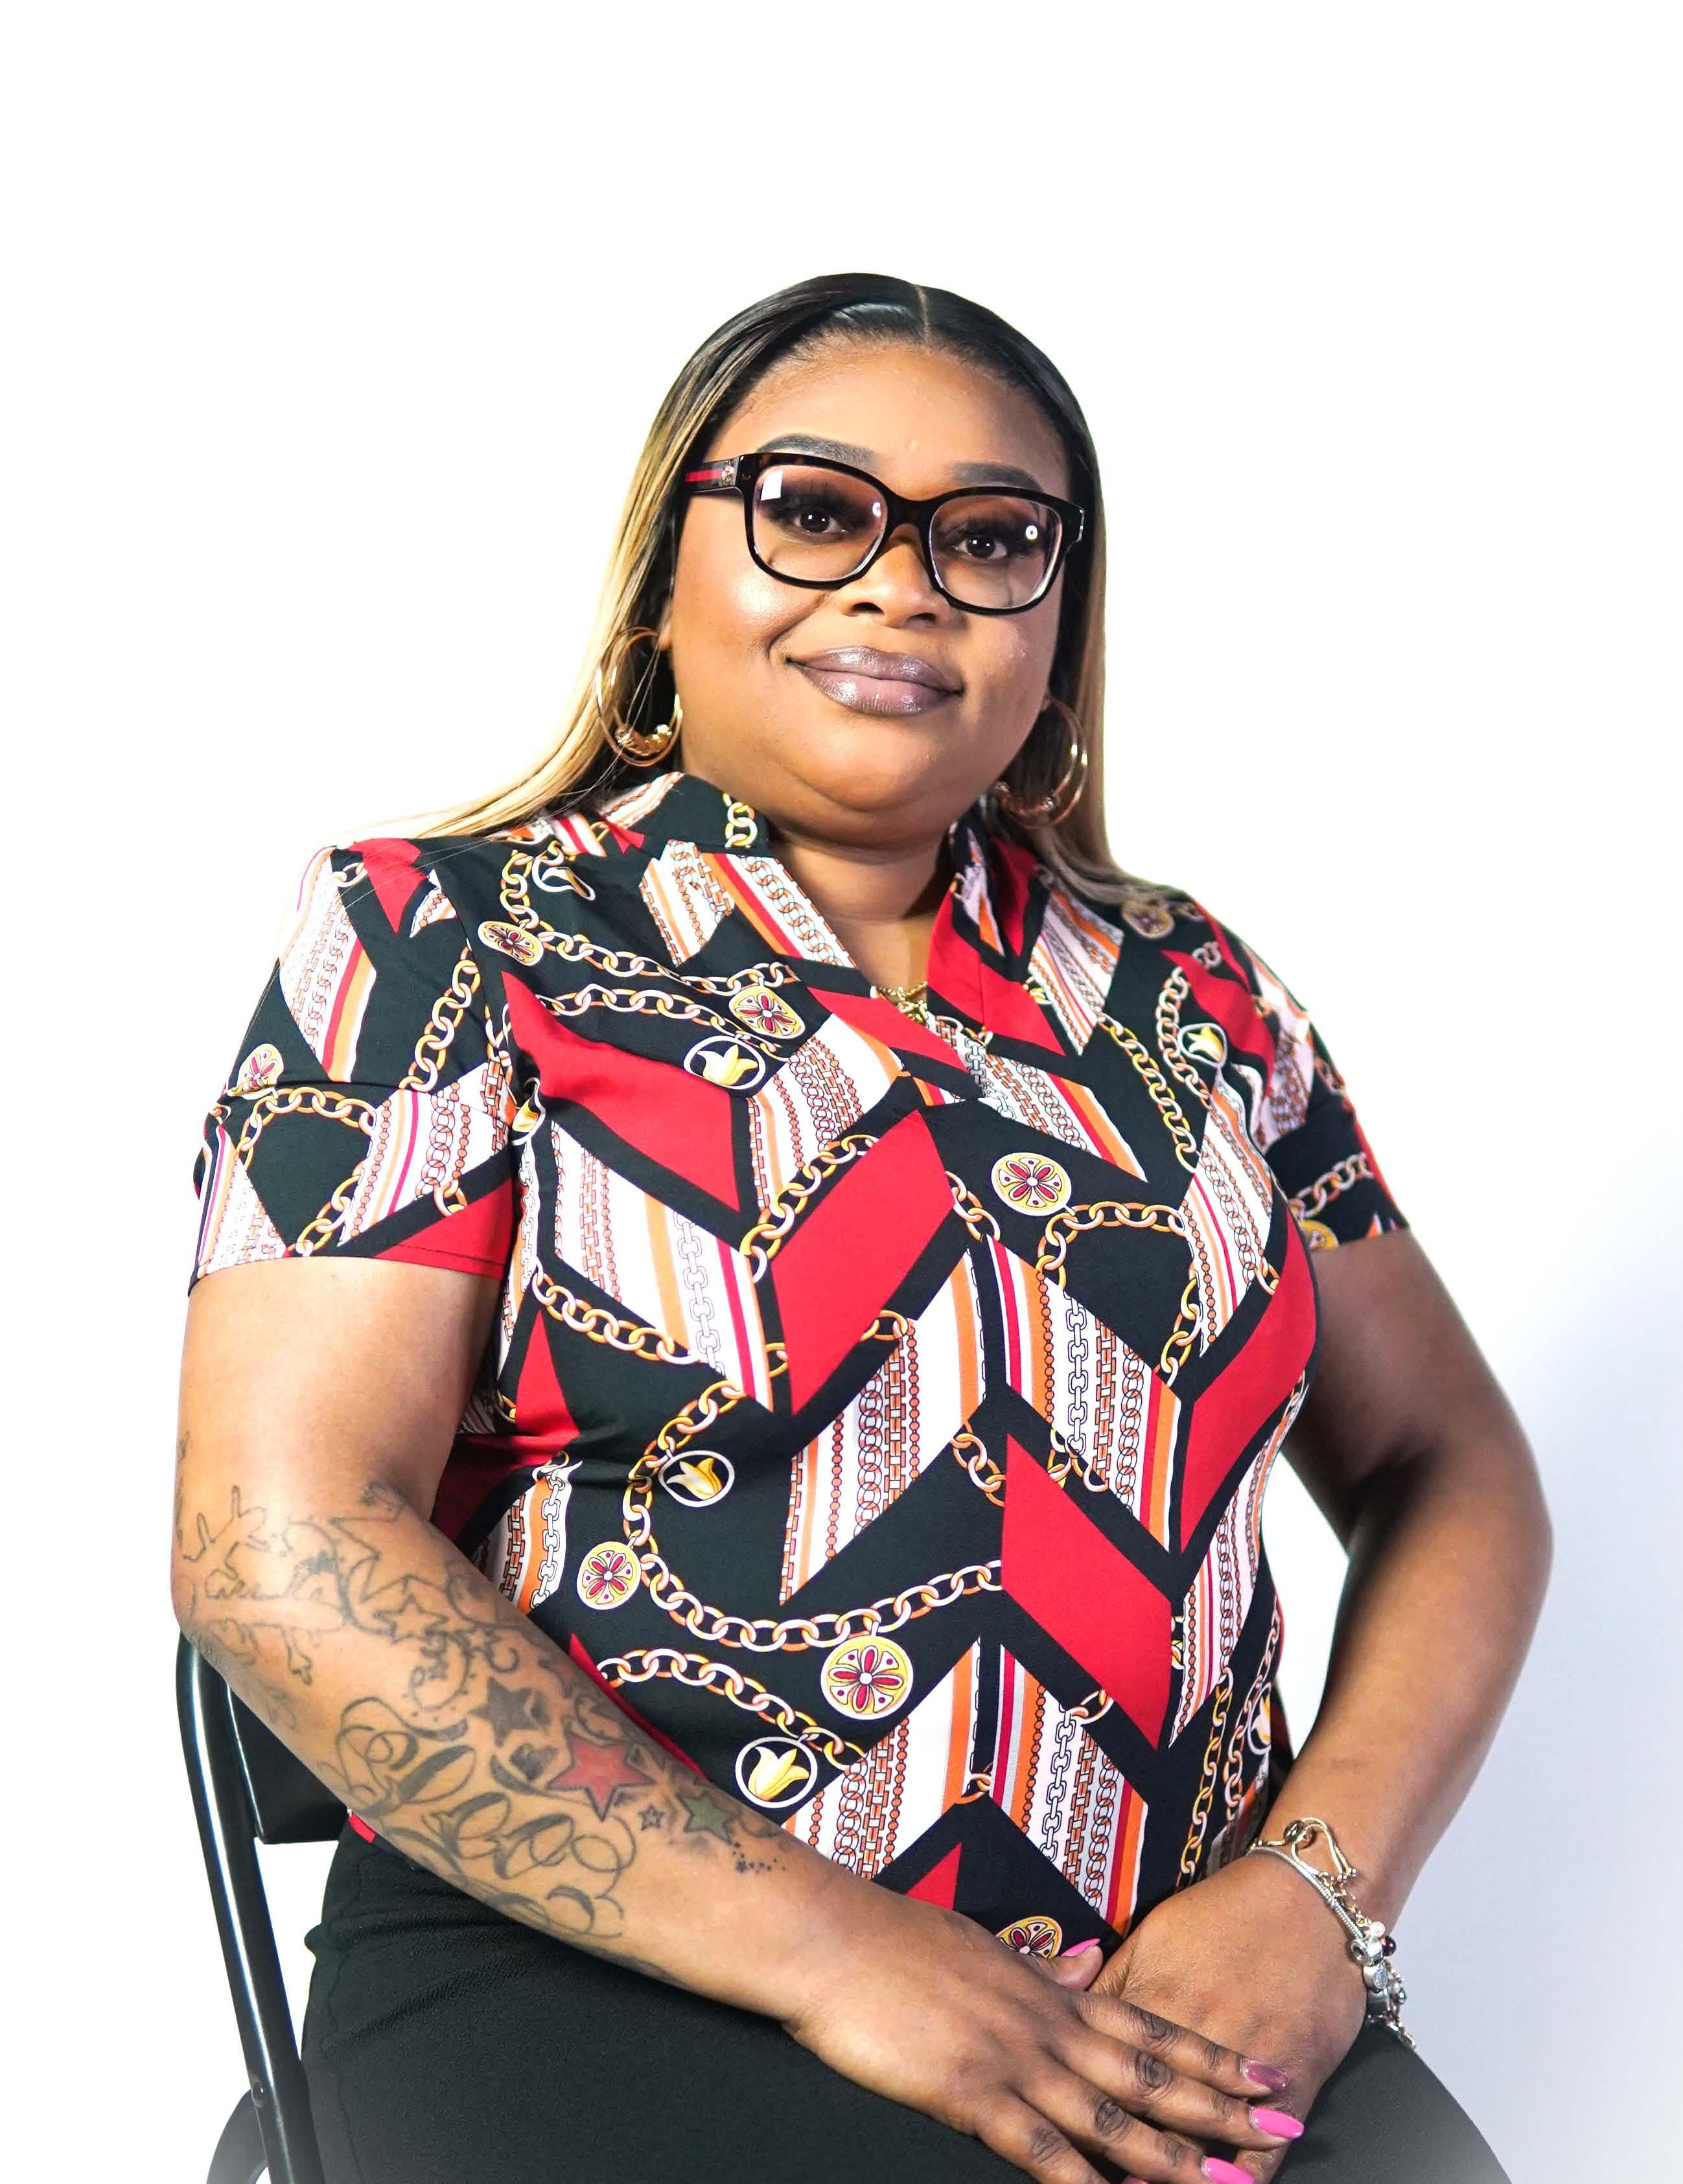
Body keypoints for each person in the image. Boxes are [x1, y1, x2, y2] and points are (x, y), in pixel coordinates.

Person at [171, 273, 1547, 2184]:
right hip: (601, 1968)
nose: (905, 586)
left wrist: (1316, 1899)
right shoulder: (439, 938)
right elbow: (275, 1544)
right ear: (664, 580)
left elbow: (1454, 1469)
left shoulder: (1195, 998)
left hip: (1172, 1999)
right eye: (816, 511)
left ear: (1060, 626)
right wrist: (841, 1955)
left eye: (991, 540)